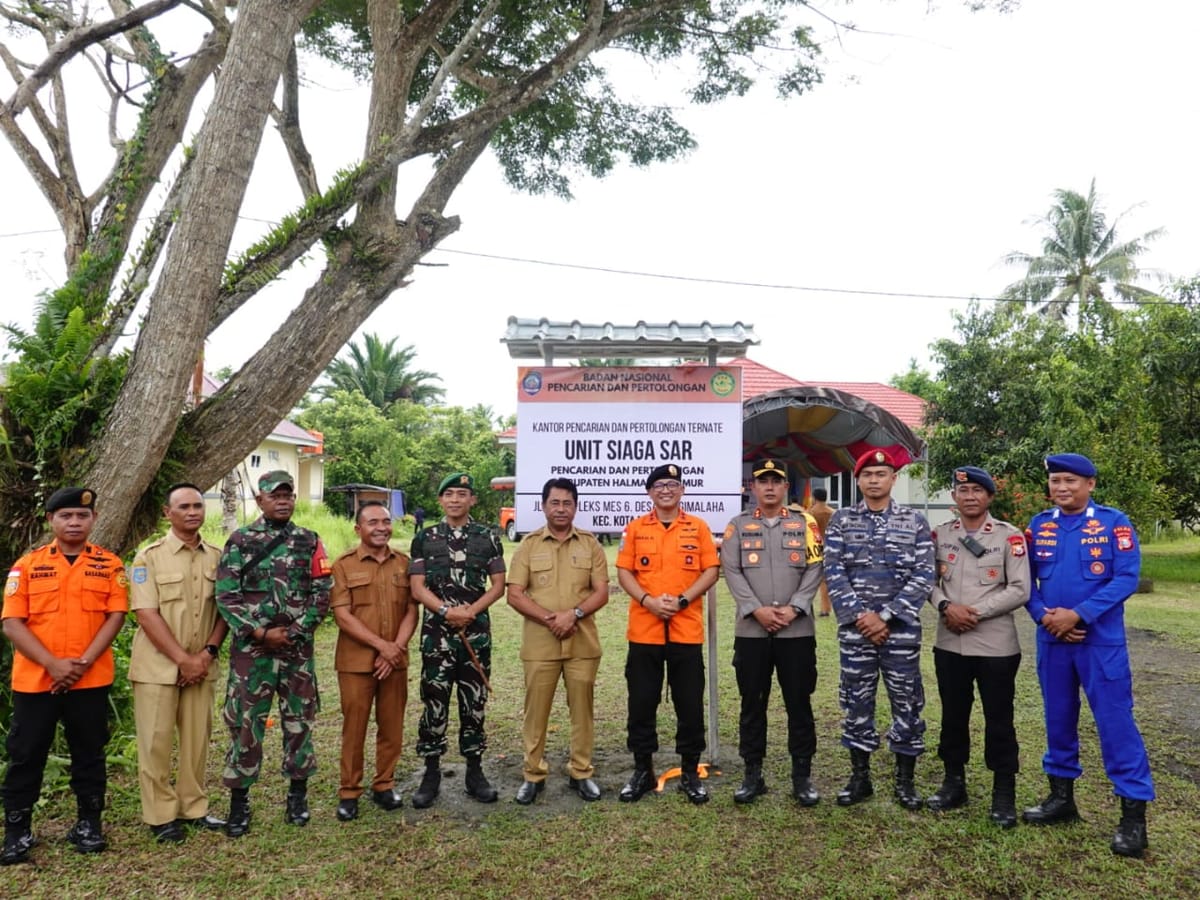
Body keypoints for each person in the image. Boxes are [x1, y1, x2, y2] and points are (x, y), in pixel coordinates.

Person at [1022, 453, 1154, 858]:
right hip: (1053, 641)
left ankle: (1132, 817)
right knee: (1058, 719)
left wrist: (1079, 614)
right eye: (1055, 481)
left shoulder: (1114, 523)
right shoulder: (1039, 525)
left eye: (1071, 481)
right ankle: (1061, 798)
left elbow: (1126, 578)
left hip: (1100, 643)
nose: (1062, 488)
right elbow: (1024, 581)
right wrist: (1045, 617)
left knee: (1116, 724)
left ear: (1090, 484)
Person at [1, 487, 128, 864]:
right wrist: (53, 665)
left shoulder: (109, 565)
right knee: (25, 754)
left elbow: (116, 616)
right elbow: (12, 623)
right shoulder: (27, 566)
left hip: (90, 679)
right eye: (66, 516)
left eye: (82, 516)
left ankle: (89, 824)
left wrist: (82, 663)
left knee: (89, 752)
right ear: (51, 520)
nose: (75, 522)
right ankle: (17, 831)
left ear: (94, 519)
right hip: (35, 681)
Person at [214, 470, 332, 837]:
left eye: (288, 495)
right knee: (245, 725)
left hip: (296, 652)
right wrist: (260, 632)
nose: (283, 501)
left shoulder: (309, 541)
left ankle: (297, 797)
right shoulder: (239, 541)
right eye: (275, 495)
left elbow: (322, 592)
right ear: (260, 500)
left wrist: (295, 632)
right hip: (253, 654)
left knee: (299, 723)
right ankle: (239, 803)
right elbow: (226, 595)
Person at [823, 449, 934, 811]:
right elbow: (833, 571)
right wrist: (862, 617)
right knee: (856, 702)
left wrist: (885, 616)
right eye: (867, 474)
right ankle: (860, 779)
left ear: (893, 479)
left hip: (900, 632)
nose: (874, 480)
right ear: (857, 480)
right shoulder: (841, 520)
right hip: (856, 633)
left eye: (881, 474)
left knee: (907, 702)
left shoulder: (914, 521)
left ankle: (905, 781)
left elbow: (924, 574)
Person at [925, 467, 1029, 828]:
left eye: (977, 490)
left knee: (999, 719)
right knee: (953, 716)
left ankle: (1004, 793)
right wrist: (945, 606)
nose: (969, 496)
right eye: (963, 490)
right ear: (954, 496)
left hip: (995, 645)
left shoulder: (1009, 536)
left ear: (990, 496)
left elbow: (1020, 588)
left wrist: (973, 613)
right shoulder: (940, 535)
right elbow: (926, 581)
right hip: (949, 643)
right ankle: (954, 783)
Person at [721, 460, 824, 806]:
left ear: (785, 487)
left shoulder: (805, 523)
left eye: (775, 481)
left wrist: (796, 607)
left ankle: (802, 776)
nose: (768, 487)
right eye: (762, 481)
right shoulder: (737, 525)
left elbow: (815, 567)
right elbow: (732, 570)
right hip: (752, 631)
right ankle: (753, 774)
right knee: (752, 703)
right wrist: (757, 609)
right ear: (752, 487)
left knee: (799, 703)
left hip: (797, 631)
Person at [129, 483, 228, 844]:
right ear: (167, 513)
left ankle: (193, 808)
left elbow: (226, 610)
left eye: (197, 506)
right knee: (155, 743)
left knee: (197, 741)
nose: (192, 512)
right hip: (157, 668)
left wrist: (206, 654)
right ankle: (160, 815)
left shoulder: (217, 556)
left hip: (202, 665)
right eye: (183, 507)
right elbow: (146, 613)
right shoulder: (148, 558)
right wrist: (183, 660)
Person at [616, 463, 720, 805]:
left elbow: (711, 570)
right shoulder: (635, 528)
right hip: (644, 630)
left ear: (682, 491)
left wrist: (683, 600)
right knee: (641, 703)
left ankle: (690, 771)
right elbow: (624, 573)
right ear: (649, 492)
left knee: (689, 704)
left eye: (672, 485)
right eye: (659, 485)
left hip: (686, 630)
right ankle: (642, 770)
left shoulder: (698, 527)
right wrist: (648, 600)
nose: (666, 490)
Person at [506, 478, 609, 805]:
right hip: (541, 644)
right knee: (535, 713)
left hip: (582, 643)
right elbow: (514, 594)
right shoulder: (529, 545)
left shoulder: (590, 544)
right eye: (555, 502)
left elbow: (602, 591)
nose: (561, 509)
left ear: (575, 507)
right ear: (544, 506)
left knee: (582, 712)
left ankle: (581, 771)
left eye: (567, 503)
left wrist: (573, 614)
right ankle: (533, 774)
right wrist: (552, 619)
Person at [409, 472, 506, 808]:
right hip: (437, 635)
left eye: (462, 494)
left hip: (475, 634)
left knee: (474, 701)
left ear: (472, 500)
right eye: (448, 494)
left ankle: (474, 772)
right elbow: (417, 587)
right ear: (440, 500)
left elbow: (498, 585)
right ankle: (431, 772)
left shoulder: (488, 537)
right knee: (434, 699)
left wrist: (470, 612)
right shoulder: (424, 538)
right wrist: (446, 611)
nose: (455, 499)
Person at [330, 501, 418, 821]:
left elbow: (412, 610)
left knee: (392, 725)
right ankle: (349, 791)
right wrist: (383, 647)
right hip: (356, 662)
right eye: (373, 522)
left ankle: (384, 784)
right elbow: (342, 615)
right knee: (354, 727)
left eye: (386, 521)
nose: (381, 528)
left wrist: (396, 648)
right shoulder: (343, 565)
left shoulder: (404, 564)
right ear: (358, 529)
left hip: (395, 660)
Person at [807, 488, 835, 616]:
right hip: (829, 547)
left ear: (814, 497)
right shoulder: (832, 512)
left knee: (808, 578)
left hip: (813, 548)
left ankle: (806, 606)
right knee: (825, 581)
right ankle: (825, 608)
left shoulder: (810, 513)